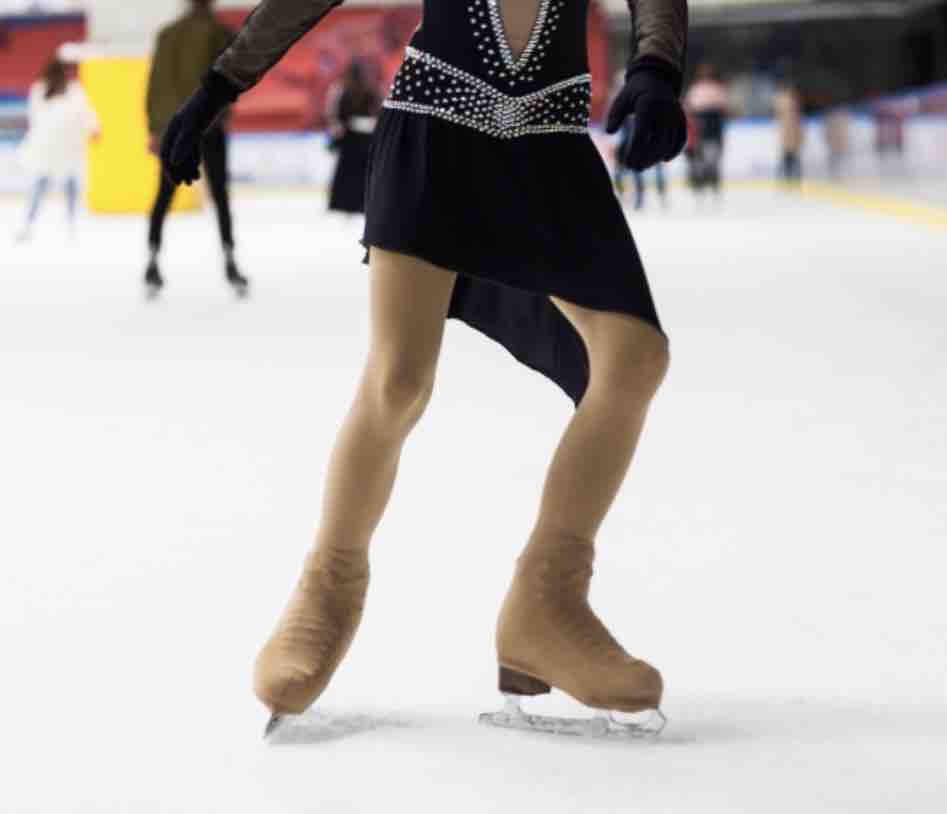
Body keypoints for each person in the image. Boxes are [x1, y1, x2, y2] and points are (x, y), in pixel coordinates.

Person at [159, 0, 687, 738]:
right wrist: (221, 86)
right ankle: (327, 589)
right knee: (399, 379)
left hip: (549, 140)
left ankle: (548, 600)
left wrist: (658, 64)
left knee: (634, 356)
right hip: (435, 126)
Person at [145, 0, 247, 296]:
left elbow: (154, 84)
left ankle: (152, 261)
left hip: (171, 127)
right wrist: (224, 114)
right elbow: (231, 78)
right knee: (220, 194)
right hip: (208, 125)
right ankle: (230, 262)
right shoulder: (219, 32)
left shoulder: (166, 35)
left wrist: (154, 128)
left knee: (163, 195)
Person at [14, 58, 99, 244]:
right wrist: (94, 129)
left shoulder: (41, 90)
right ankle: (70, 224)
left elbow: (33, 117)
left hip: (48, 147)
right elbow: (86, 114)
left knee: (41, 184)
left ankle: (30, 225)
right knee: (68, 184)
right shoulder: (73, 91)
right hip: (66, 147)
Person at [325, 60, 382, 217]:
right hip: (363, 139)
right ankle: (360, 205)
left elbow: (334, 116)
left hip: (352, 140)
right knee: (361, 174)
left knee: (348, 174)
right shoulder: (370, 90)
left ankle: (345, 204)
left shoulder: (343, 90)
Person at [683, 61, 728, 199]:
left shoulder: (717, 88)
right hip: (700, 127)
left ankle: (714, 186)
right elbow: (689, 108)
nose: (706, 74)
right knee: (699, 160)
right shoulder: (696, 89)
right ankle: (699, 187)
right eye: (704, 72)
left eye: (708, 72)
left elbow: (724, 107)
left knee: (714, 159)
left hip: (714, 126)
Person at [774, 79, 803, 183]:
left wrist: (799, 134)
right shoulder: (783, 100)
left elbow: (797, 120)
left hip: (792, 134)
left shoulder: (794, 101)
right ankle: (786, 177)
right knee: (787, 157)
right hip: (787, 134)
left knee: (792, 157)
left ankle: (793, 178)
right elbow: (779, 116)